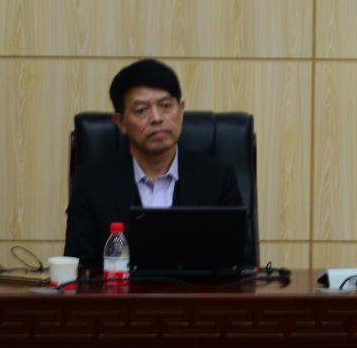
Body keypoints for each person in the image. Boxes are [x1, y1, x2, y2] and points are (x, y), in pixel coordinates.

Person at [64, 59, 245, 267]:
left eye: (166, 106)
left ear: (181, 111)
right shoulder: (91, 182)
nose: (156, 118)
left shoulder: (218, 178)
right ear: (121, 122)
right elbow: (80, 268)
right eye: (141, 110)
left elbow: (242, 265)